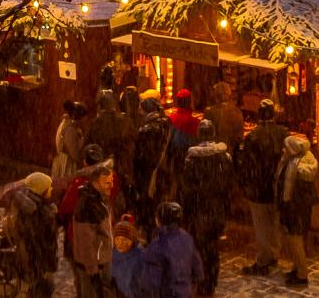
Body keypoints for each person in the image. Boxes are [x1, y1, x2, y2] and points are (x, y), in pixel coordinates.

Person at [179, 120, 234, 296]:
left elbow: (187, 190)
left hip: (198, 211)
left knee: (200, 248)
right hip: (216, 210)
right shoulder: (223, 158)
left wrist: (187, 213)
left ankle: (202, 282)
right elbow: (227, 188)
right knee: (212, 248)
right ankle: (211, 280)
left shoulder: (191, 160)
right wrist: (225, 210)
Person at [236, 100, 288, 275]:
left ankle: (264, 259)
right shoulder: (282, 134)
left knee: (261, 226)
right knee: (274, 222)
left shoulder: (253, 137)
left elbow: (246, 163)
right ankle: (273, 253)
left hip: (258, 187)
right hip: (276, 186)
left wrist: (245, 183)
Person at [276, 136, 319, 287]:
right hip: (296, 208)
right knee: (294, 241)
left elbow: (296, 192)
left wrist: (289, 206)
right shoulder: (296, 159)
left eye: (286, 148)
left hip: (295, 209)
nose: (283, 150)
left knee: (296, 241)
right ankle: (296, 268)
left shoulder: (297, 166)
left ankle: (302, 274)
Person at [8, 172, 59, 298]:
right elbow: (41, 240)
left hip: (35, 259)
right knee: (42, 289)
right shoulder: (36, 213)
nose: (52, 189)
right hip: (37, 260)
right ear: (40, 190)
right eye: (49, 187)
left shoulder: (32, 205)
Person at [137, 202, 203, 298]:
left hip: (167, 293)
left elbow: (150, 280)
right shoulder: (187, 238)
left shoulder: (157, 244)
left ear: (159, 219)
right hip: (185, 292)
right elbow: (197, 268)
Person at [72, 165, 115, 298]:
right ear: (95, 183)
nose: (111, 185)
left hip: (100, 262)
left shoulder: (99, 199)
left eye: (111, 181)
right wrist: (94, 274)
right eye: (106, 182)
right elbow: (85, 244)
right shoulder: (87, 206)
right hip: (92, 267)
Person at [133, 97, 171, 238]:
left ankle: (151, 233)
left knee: (149, 204)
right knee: (159, 202)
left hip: (149, 174)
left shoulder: (146, 130)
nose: (139, 111)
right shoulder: (165, 124)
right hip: (162, 171)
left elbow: (142, 157)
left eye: (141, 108)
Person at [87, 90, 135, 187]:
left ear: (100, 106)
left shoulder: (96, 123)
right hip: (123, 166)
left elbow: (88, 145)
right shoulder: (126, 120)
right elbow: (133, 140)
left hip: (102, 166)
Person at [110, 214, 144, 298]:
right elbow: (114, 266)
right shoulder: (115, 252)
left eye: (124, 240)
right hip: (122, 289)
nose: (121, 243)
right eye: (118, 240)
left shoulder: (139, 254)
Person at [203, 82, 243, 149]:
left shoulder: (209, 112)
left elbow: (204, 135)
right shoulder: (237, 112)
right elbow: (239, 137)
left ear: (216, 96)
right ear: (229, 95)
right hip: (230, 151)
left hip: (214, 152)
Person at [54, 100, 87, 179]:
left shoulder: (67, 124)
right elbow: (74, 153)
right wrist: (82, 140)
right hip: (67, 164)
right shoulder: (70, 129)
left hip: (64, 161)